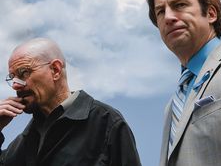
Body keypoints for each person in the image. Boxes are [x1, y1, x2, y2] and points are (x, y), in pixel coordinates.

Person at [0, 37, 142, 166]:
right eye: (12, 78)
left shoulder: (107, 123)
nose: (15, 85)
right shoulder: (26, 139)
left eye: (24, 73)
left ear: (55, 70)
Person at [146, 0, 221, 166]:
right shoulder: (172, 105)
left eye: (179, 5)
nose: (168, 17)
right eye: (160, 11)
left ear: (211, 13)